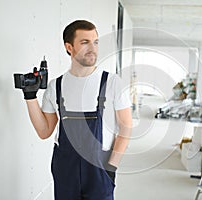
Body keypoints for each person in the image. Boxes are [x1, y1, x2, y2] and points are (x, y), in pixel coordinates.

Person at [22, 20, 132, 200]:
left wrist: (111, 167)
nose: (93, 48)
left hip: (100, 168)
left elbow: (126, 127)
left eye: (95, 42)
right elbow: (44, 131)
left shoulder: (112, 83)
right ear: (69, 47)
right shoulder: (55, 86)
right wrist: (30, 97)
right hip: (65, 168)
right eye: (85, 42)